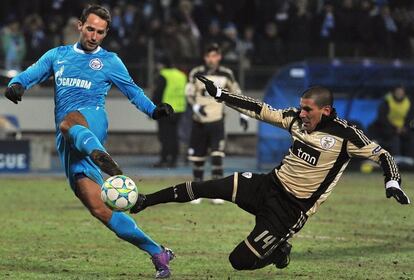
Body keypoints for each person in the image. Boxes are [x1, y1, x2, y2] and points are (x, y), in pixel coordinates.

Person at [130, 75, 410, 272]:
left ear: (326, 111)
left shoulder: (346, 136)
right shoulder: (295, 120)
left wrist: (393, 182)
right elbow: (259, 110)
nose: (302, 113)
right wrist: (220, 95)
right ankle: (145, 201)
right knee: (206, 187)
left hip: (290, 210)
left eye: (308, 109)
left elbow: (383, 154)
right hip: (267, 185)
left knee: (239, 261)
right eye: (301, 107)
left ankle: (279, 250)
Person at [3, 5, 174, 279]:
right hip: (69, 141)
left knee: (69, 120)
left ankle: (107, 163)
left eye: (100, 32)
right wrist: (17, 85)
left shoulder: (110, 61)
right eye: (91, 29)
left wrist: (154, 110)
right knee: (99, 209)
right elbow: (31, 73)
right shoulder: (57, 56)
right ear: (80, 25)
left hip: (92, 121)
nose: (94, 36)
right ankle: (158, 252)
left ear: (106, 34)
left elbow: (133, 91)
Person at [185, 43, 248, 204]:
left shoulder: (227, 74)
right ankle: (196, 192)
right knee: (197, 158)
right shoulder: (196, 72)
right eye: (208, 56)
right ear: (204, 58)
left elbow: (237, 94)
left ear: (219, 57)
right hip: (199, 121)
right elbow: (189, 93)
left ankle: (217, 193)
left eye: (214, 56)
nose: (211, 59)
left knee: (217, 157)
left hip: (217, 121)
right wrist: (196, 106)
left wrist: (244, 114)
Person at [152, 57, 187, 168]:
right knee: (174, 135)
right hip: (179, 109)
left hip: (165, 109)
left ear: (162, 65)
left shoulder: (164, 75)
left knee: (165, 136)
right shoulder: (181, 75)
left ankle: (164, 159)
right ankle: (174, 159)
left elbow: (158, 93)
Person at [369, 85, 414, 158]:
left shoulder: (408, 102)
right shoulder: (386, 102)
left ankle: (410, 161)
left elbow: (410, 117)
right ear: (394, 92)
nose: (399, 93)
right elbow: (382, 118)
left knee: (411, 136)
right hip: (388, 129)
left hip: (404, 129)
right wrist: (395, 128)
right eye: (398, 91)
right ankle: (396, 160)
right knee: (395, 137)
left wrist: (405, 128)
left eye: (401, 92)